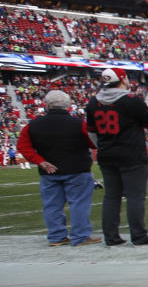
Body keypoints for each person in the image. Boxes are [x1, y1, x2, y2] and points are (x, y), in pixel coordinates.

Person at [85, 68, 148, 246]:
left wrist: (104, 146)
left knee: (111, 197)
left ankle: (111, 236)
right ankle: (139, 235)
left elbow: (91, 132)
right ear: (122, 79)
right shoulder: (131, 100)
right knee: (135, 196)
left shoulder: (93, 102)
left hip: (106, 154)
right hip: (131, 154)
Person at [17, 89, 100, 247]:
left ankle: (56, 237)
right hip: (77, 169)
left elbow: (23, 146)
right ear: (68, 105)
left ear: (46, 105)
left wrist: (40, 161)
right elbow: (93, 143)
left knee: (52, 205)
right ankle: (80, 235)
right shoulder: (78, 124)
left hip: (49, 170)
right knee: (79, 204)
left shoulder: (32, 125)